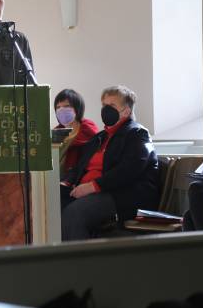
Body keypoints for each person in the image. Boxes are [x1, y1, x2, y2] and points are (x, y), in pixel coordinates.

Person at [60, 85, 159, 241]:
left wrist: (93, 186)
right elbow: (80, 166)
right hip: (95, 192)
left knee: (75, 213)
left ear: (126, 111)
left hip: (122, 195)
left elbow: (129, 169)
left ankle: (81, 263)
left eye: (112, 106)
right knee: (53, 203)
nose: (106, 110)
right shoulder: (100, 137)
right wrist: (67, 182)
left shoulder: (138, 134)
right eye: (104, 105)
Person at [53, 89, 99, 178]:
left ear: (77, 108)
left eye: (67, 106)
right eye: (58, 107)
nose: (61, 110)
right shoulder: (56, 132)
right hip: (53, 179)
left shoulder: (87, 131)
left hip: (73, 181)